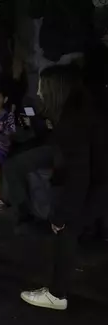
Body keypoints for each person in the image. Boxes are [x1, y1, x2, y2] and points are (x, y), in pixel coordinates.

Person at [20, 65, 108, 311]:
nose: (38, 91)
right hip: (99, 179)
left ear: (55, 89)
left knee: (66, 229)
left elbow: (79, 174)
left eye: (41, 86)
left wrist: (62, 215)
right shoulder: (79, 111)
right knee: (70, 228)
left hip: (100, 182)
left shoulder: (74, 121)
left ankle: (57, 295)